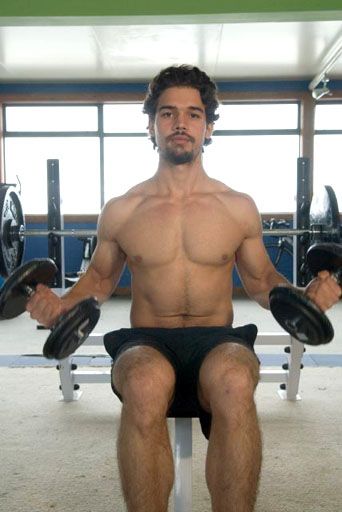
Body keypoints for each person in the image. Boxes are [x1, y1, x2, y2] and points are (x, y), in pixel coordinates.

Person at [26, 65, 341, 512]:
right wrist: (57, 306)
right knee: (142, 383)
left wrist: (304, 300)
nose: (180, 123)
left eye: (193, 114)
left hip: (218, 339)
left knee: (234, 381)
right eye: (168, 113)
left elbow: (261, 280)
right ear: (151, 126)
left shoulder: (236, 207)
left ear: (208, 127)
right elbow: (98, 280)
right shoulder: (122, 210)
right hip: (147, 340)